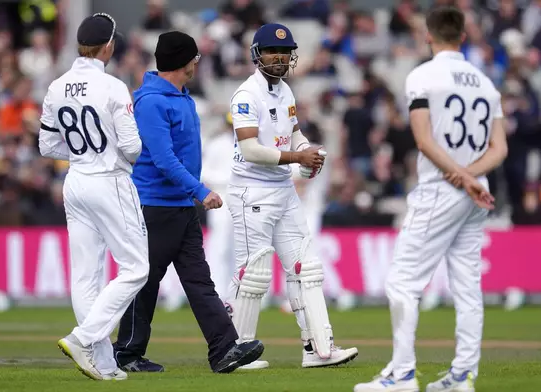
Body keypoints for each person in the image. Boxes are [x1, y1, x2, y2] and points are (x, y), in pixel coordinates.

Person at [354, 6, 508, 392]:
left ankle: (402, 375)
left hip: (442, 189)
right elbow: (499, 146)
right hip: (476, 191)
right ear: (463, 36)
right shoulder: (486, 84)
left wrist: (458, 176)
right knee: (468, 287)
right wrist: (472, 176)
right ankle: (463, 376)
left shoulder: (423, 76)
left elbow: (424, 139)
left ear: (428, 35)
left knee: (402, 282)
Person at [111, 31, 264, 374]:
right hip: (155, 207)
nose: (198, 63)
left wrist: (192, 194)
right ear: (184, 61)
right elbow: (163, 159)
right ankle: (126, 353)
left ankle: (224, 349)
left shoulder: (180, 97)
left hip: (178, 206)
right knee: (145, 282)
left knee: (198, 280)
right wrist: (201, 191)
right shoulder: (152, 102)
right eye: (194, 58)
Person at [225, 22, 358, 370]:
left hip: (283, 189)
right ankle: (234, 352)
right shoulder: (245, 95)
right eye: (272, 51)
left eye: (285, 53)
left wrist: (308, 152)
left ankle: (317, 348)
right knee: (253, 274)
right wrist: (297, 158)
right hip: (251, 190)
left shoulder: (285, 91)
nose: (280, 58)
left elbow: (294, 134)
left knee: (307, 268)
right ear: (257, 55)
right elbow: (251, 149)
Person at [39, 13, 148, 381]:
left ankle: (103, 362)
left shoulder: (57, 86)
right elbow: (132, 147)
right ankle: (84, 338)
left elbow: (46, 143)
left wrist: (79, 153)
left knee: (86, 276)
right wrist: (111, 153)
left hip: (76, 181)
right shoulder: (114, 86)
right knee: (136, 268)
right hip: (109, 180)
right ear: (109, 46)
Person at [201, 113, 236, 299]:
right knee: (220, 244)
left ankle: (236, 291)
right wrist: (226, 181)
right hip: (221, 196)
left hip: (243, 197)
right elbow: (204, 172)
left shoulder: (251, 143)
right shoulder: (217, 144)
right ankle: (217, 291)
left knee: (240, 247)